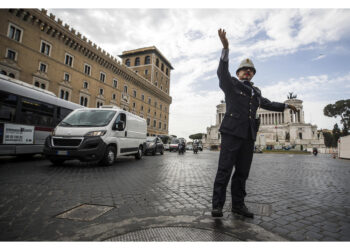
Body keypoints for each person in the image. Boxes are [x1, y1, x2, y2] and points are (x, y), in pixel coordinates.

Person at [212, 29, 297, 218]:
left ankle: (238, 205)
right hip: (232, 132)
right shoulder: (231, 84)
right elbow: (221, 72)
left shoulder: (256, 92)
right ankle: (217, 205)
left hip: (249, 135)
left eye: (250, 70)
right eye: (244, 69)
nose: (248, 72)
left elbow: (268, 104)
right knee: (224, 170)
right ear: (239, 73)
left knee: (242, 173)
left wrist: (286, 105)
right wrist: (225, 48)